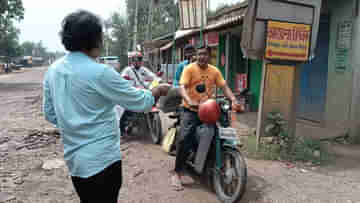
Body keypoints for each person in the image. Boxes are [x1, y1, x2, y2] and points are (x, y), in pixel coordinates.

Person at [42, 10, 170, 202]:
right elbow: (142, 102)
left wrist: (75, 124)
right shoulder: (100, 72)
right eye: (101, 36)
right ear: (93, 39)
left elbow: (50, 114)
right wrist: (159, 90)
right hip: (103, 162)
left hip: (75, 162)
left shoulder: (53, 70)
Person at [171, 45, 239, 190]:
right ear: (196, 55)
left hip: (208, 108)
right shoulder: (189, 69)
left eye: (205, 54)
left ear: (209, 56)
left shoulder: (214, 71)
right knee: (185, 137)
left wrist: (233, 99)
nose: (202, 56)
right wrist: (189, 100)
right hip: (191, 109)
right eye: (200, 54)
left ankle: (211, 161)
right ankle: (177, 173)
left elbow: (224, 87)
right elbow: (182, 87)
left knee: (220, 130)